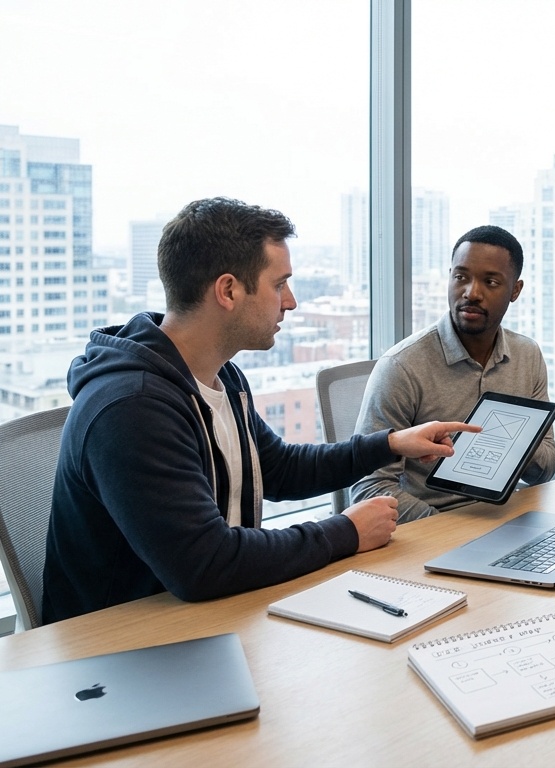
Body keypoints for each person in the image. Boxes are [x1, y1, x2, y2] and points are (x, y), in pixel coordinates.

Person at [43, 197, 474, 624]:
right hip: (120, 649)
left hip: (214, 614)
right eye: (279, 284)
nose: (291, 301)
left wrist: (391, 444)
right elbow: (204, 565)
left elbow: (278, 468)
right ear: (228, 290)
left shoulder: (219, 376)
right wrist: (346, 532)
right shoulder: (132, 407)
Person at [351, 225, 555, 522]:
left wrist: (519, 436)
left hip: (507, 518)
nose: (472, 293)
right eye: (461, 277)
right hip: (430, 526)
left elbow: (545, 470)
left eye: (490, 281)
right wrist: (444, 530)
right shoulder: (402, 366)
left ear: (515, 290)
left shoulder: (527, 355)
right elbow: (369, 487)